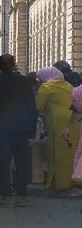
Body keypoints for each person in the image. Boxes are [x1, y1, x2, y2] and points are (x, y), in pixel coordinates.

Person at [0, 54, 36, 206]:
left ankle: (6, 196)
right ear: (14, 65)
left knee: (3, 162)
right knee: (22, 161)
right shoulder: (24, 82)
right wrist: (31, 128)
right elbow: (31, 106)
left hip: (0, 129)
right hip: (21, 128)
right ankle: (22, 194)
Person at [36, 66, 80, 197]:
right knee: (71, 155)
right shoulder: (68, 85)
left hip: (58, 124)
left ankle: (60, 186)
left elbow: (37, 106)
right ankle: (71, 184)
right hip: (74, 122)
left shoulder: (46, 87)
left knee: (57, 155)